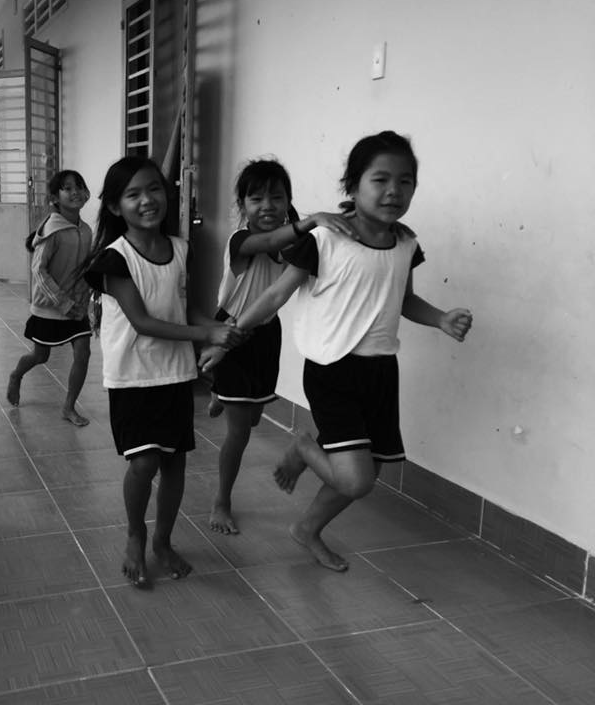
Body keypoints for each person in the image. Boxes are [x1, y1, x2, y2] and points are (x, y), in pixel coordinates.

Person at [200, 131, 472, 571]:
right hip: (333, 369)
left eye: (405, 181)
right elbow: (274, 296)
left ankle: (307, 528)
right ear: (353, 185)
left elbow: (403, 299)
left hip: (381, 371)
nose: (393, 191)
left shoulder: (406, 244)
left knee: (372, 469)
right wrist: (228, 338)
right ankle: (306, 448)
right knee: (356, 479)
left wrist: (440, 318)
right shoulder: (324, 239)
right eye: (380, 179)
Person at [84, 156, 243, 588]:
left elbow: (182, 307)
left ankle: (163, 541)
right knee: (144, 463)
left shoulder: (181, 248)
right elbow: (143, 321)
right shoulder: (113, 260)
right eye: (133, 194)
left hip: (174, 373)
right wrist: (205, 334)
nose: (147, 200)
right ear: (115, 207)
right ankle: (136, 534)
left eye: (154, 189)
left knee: (174, 465)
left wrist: (218, 328)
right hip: (132, 376)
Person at [207, 159, 355, 535]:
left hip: (266, 334)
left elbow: (309, 257)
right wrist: (314, 219)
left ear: (288, 200)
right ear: (242, 205)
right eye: (256, 199)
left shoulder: (297, 245)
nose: (267, 206)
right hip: (231, 330)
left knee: (254, 416)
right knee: (239, 432)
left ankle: (222, 393)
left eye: (276, 197)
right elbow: (270, 241)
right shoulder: (241, 240)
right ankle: (221, 501)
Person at [7, 170, 94, 426]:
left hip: (76, 308)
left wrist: (88, 298)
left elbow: (85, 268)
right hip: (49, 307)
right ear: (55, 197)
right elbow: (39, 271)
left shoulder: (86, 230)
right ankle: (16, 375)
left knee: (83, 352)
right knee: (40, 356)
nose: (75, 192)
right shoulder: (52, 230)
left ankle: (69, 407)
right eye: (67, 188)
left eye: (79, 186)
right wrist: (63, 303)